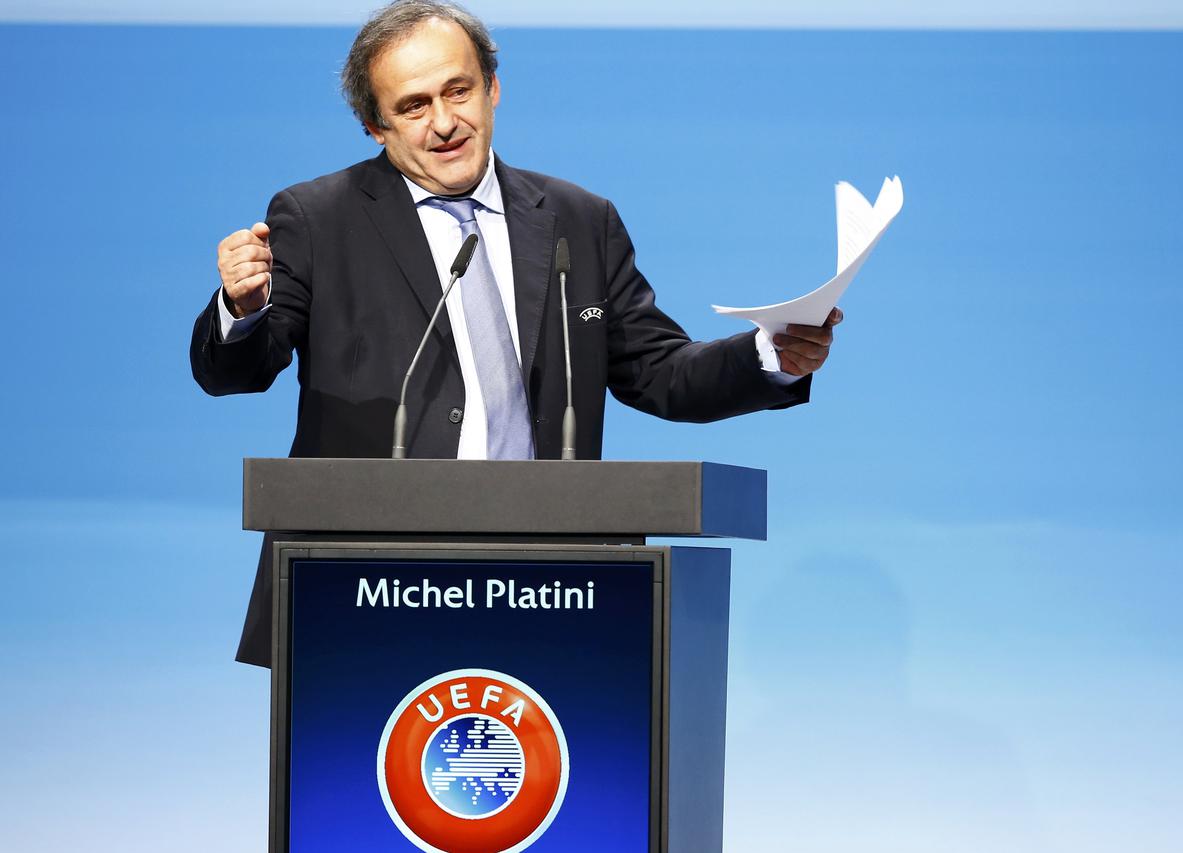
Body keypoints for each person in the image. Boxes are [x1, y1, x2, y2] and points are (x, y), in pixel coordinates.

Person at [191, 0, 842, 667]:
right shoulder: (319, 218)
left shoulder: (579, 219)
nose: (445, 122)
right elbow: (237, 372)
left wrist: (770, 354)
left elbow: (660, 373)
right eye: (414, 106)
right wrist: (242, 308)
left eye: (458, 91)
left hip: (546, 582)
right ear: (374, 126)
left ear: (493, 88)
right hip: (363, 585)